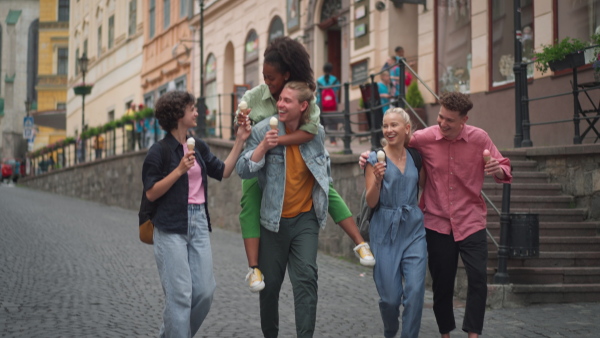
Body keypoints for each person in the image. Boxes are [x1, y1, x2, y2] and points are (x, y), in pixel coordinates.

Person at [360, 92, 512, 337]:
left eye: (449, 120)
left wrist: (499, 169)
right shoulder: (424, 138)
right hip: (437, 221)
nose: (442, 123)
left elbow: (503, 165)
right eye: (440, 117)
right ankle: (445, 333)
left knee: (477, 279)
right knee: (440, 284)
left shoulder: (479, 138)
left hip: (470, 219)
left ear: (464, 120)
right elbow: (394, 143)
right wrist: (367, 157)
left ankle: (473, 334)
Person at [235, 36, 374, 294]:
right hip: (264, 164)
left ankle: (359, 242)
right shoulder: (256, 96)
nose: (267, 82)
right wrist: (242, 121)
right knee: (249, 197)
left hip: (299, 156)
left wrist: (277, 141)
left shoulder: (302, 94)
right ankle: (254, 268)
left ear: (287, 74)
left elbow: (310, 131)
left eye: (271, 77)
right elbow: (243, 130)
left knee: (326, 187)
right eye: (264, 76)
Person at [142, 90, 251, 338]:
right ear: (179, 114)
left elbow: (223, 171)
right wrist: (179, 170)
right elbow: (151, 193)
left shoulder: (198, 146)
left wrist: (240, 140)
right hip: (170, 227)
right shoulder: (159, 151)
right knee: (180, 295)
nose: (197, 112)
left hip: (199, 223)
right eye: (192, 108)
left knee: (204, 291)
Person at [236, 81, 328, 338]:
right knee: (270, 287)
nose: (280, 104)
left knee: (307, 280)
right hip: (273, 222)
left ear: (303, 106)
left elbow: (324, 169)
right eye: (280, 100)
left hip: (305, 220)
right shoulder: (263, 129)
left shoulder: (317, 133)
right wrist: (264, 147)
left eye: (288, 101)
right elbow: (242, 170)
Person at [364, 108, 427, 338]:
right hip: (384, 230)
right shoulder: (374, 159)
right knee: (390, 299)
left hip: (413, 230)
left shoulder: (416, 157)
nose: (389, 130)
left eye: (394, 125)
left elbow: (425, 186)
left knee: (415, 291)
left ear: (407, 128)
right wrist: (378, 181)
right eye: (385, 125)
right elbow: (371, 202)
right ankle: (390, 331)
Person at [316, 62, 340, 145]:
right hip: (332, 103)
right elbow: (337, 90)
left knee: (321, 121)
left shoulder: (319, 80)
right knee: (332, 120)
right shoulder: (335, 79)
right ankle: (332, 140)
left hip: (321, 103)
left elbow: (317, 92)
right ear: (331, 70)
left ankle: (321, 140)